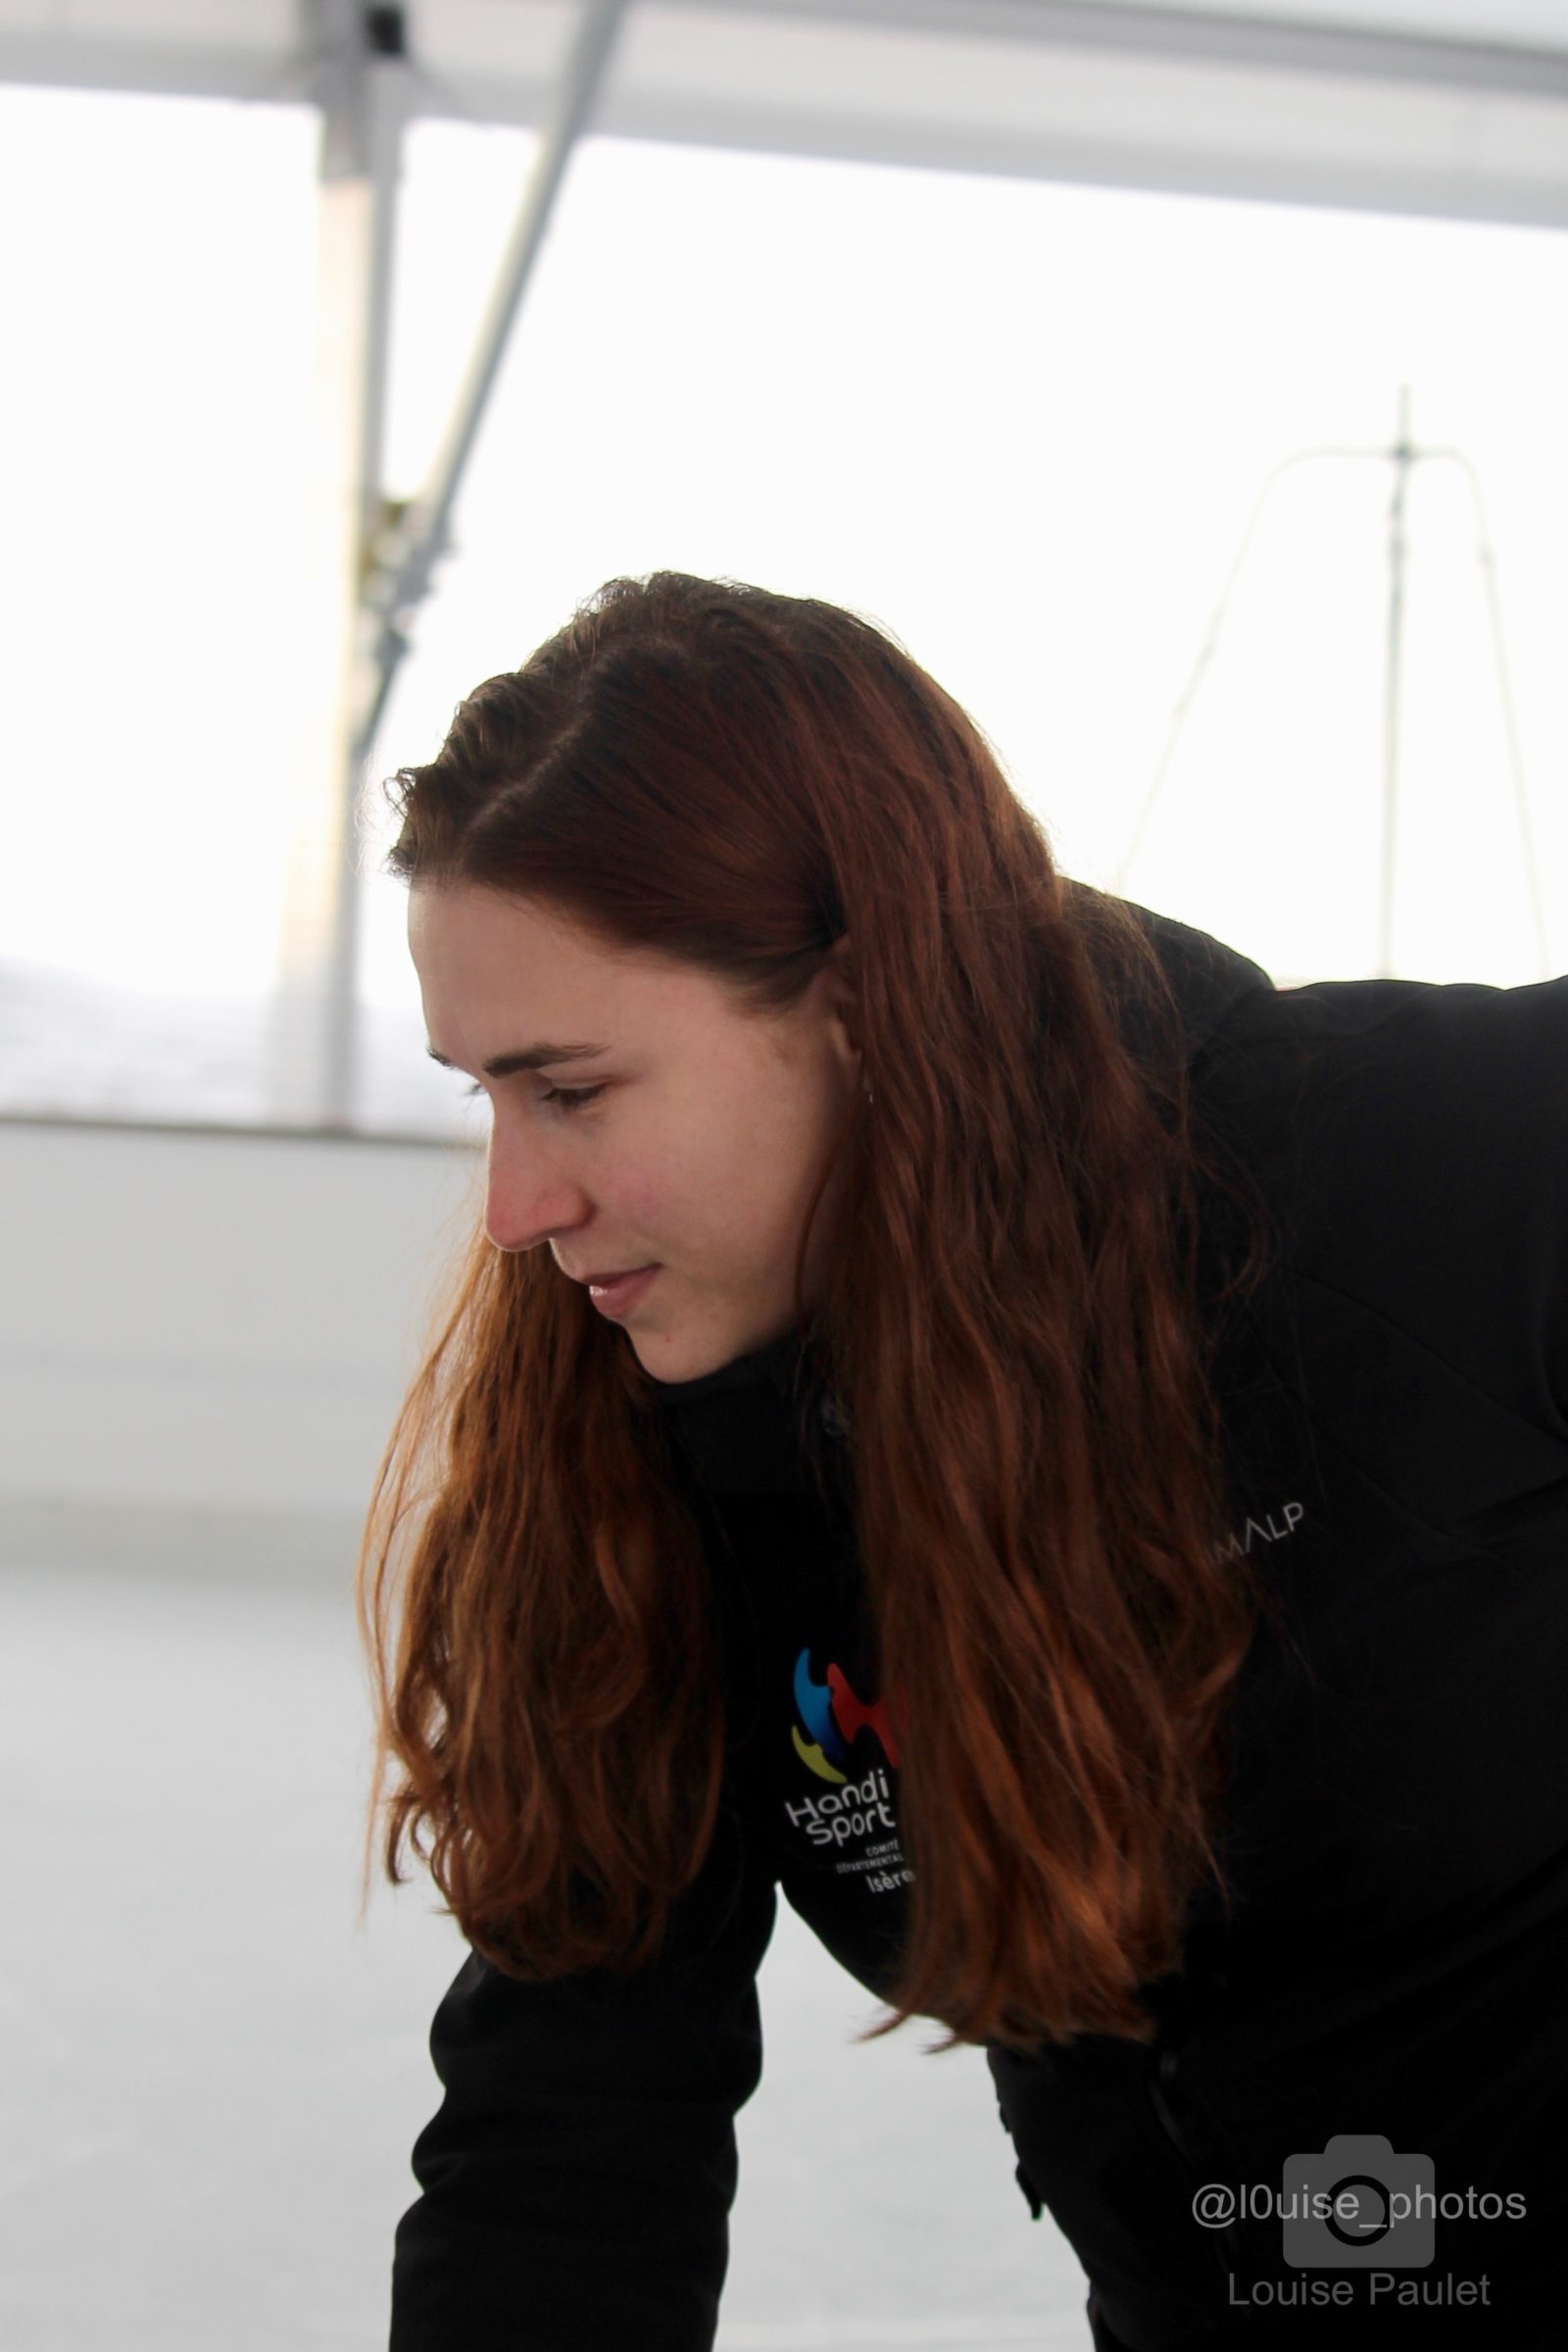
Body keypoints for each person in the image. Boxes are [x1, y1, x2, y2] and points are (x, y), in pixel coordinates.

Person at [359, 570, 1568, 2351]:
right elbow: (571, 2140)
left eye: (575, 1090)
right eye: (484, 1093)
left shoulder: (1443, 1174)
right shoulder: (641, 1443)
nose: (514, 1208)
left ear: (867, 1004)